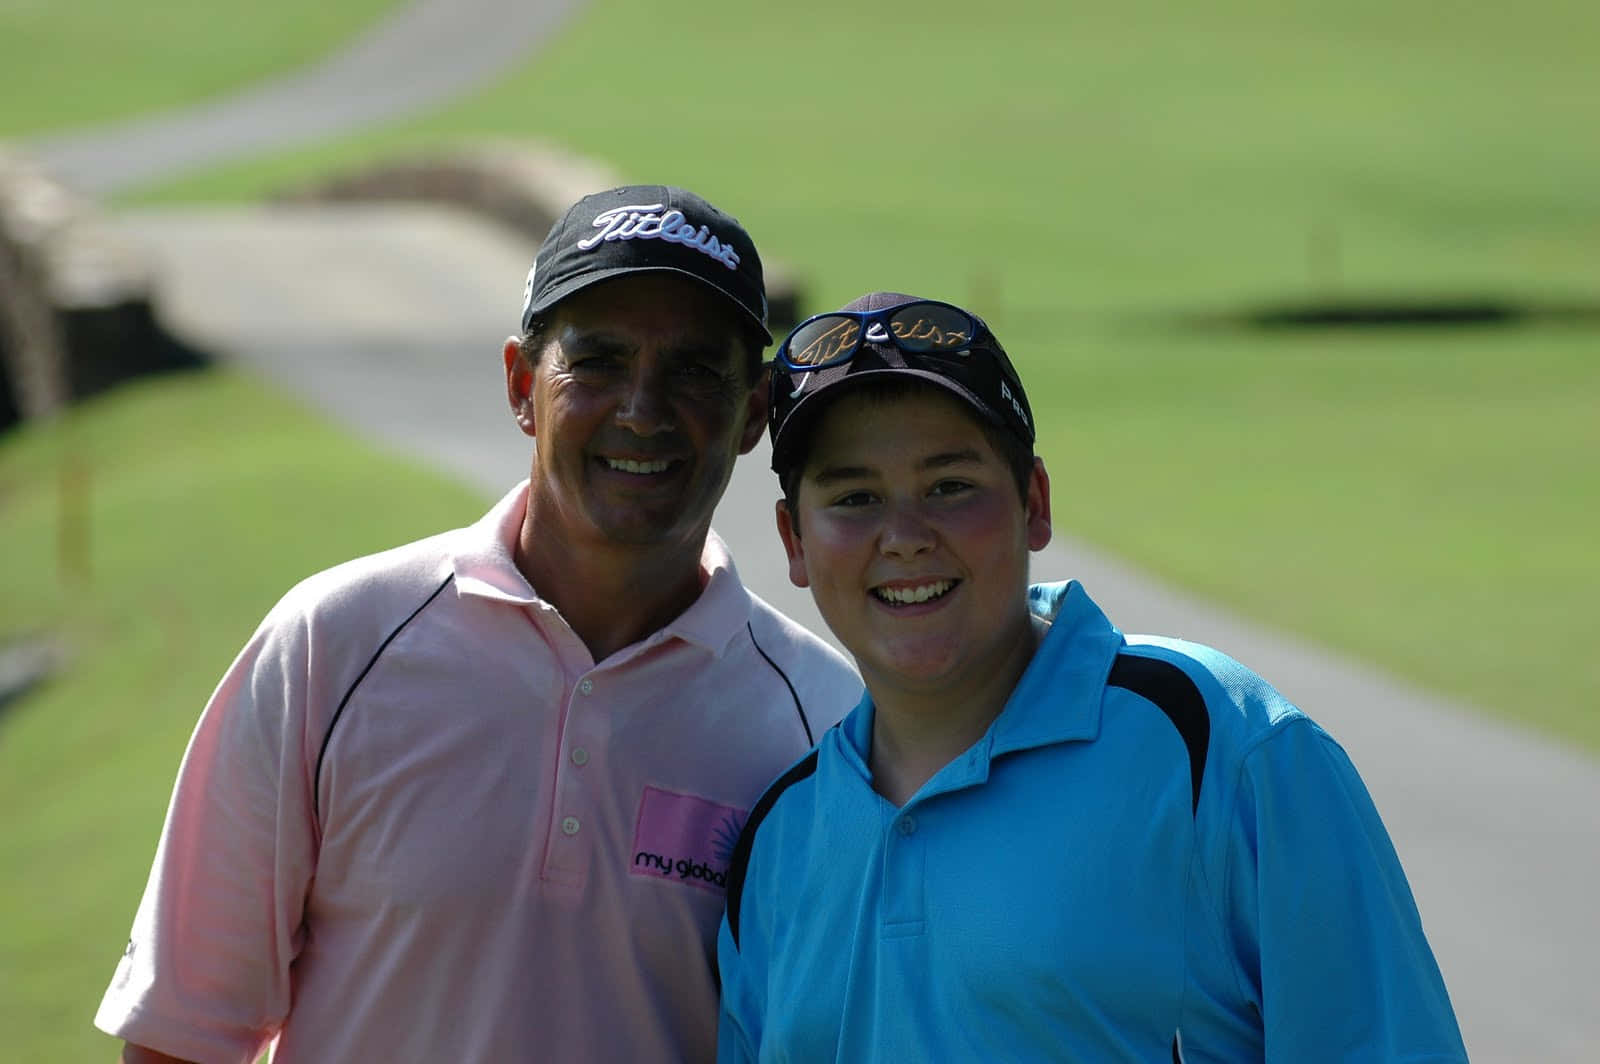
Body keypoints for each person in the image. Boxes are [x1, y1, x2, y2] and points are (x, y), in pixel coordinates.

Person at [94, 186, 861, 1064]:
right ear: (522, 386)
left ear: (753, 413)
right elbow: (184, 1035)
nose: (642, 410)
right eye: (598, 361)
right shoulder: (331, 645)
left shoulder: (823, 727)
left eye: (694, 370)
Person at [716, 292, 1468, 1062]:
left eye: (950, 486)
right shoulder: (779, 841)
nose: (904, 537)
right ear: (794, 540)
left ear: (1035, 504)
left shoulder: (1220, 743)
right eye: (855, 498)